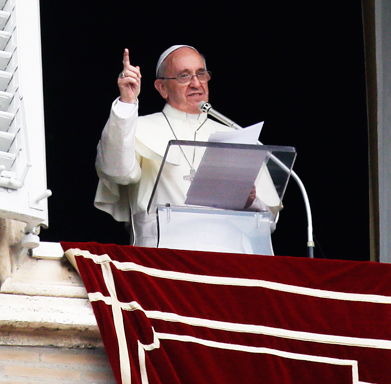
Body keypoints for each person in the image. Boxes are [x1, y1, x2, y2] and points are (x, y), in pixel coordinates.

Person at [94, 45, 280, 249]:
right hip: (162, 259)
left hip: (228, 261)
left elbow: (268, 222)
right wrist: (127, 103)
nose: (196, 83)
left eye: (201, 74)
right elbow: (116, 172)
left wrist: (249, 202)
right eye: (184, 76)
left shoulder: (236, 135)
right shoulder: (138, 127)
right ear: (162, 88)